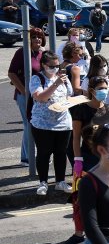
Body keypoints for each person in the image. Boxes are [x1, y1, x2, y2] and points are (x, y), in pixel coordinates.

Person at [61, 76, 109, 244]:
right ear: (92, 90)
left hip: (108, 161)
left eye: (106, 87)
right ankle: (79, 234)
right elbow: (76, 137)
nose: (104, 91)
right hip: (88, 160)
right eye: (101, 88)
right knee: (81, 198)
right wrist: (77, 160)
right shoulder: (81, 110)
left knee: (107, 197)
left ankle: (104, 232)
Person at [30, 50, 74, 196]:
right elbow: (40, 97)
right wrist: (55, 84)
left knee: (61, 152)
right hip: (42, 124)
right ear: (43, 65)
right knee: (44, 152)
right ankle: (43, 182)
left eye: (57, 66)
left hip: (63, 122)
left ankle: (60, 181)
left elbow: (69, 95)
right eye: (52, 66)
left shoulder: (63, 78)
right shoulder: (37, 78)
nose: (55, 69)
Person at [7, 27, 45, 165]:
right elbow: (11, 74)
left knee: (34, 124)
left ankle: (27, 156)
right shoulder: (22, 52)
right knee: (29, 124)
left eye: (39, 36)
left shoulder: (42, 54)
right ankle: (27, 157)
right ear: (29, 39)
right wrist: (23, 91)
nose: (37, 39)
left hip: (39, 95)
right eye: (34, 37)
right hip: (25, 96)